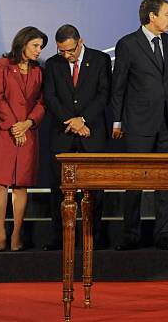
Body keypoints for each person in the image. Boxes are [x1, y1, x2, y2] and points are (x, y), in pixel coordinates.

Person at [111, 0, 168, 250]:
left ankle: (164, 234)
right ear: (152, 16)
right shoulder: (128, 44)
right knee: (135, 182)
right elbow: (119, 85)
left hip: (166, 122)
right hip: (137, 122)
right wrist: (117, 121)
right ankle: (131, 234)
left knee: (166, 181)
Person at [0, 27, 47, 251]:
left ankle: (16, 234)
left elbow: (42, 103)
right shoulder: (1, 65)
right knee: (1, 184)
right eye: (35, 45)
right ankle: (1, 232)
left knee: (21, 185)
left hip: (27, 133)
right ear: (23, 43)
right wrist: (15, 126)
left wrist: (27, 124)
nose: (38, 50)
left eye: (41, 47)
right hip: (3, 132)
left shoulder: (39, 71)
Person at [42, 24, 111, 251]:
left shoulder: (100, 60)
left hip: (92, 132)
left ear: (80, 41)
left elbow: (104, 94)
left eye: (70, 50)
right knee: (60, 189)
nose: (66, 55)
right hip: (63, 133)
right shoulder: (53, 64)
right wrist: (72, 122)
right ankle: (58, 237)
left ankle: (94, 236)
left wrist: (83, 119)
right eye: (62, 51)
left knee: (95, 189)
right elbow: (50, 98)